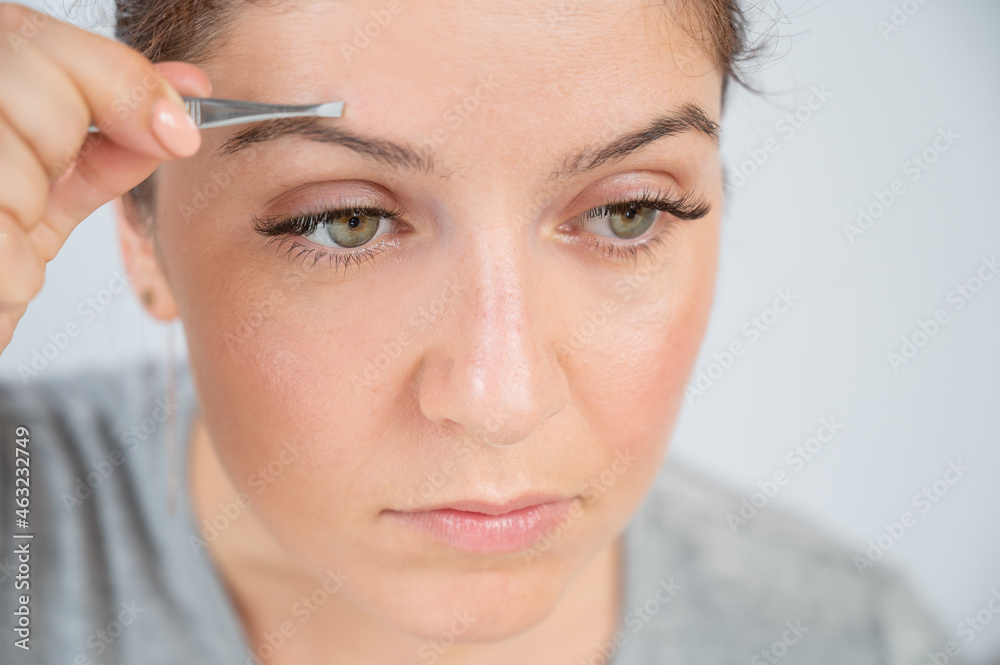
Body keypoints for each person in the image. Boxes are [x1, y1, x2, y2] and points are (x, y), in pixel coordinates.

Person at [0, 1, 959, 663]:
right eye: (348, 222)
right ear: (142, 237)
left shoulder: (852, 639)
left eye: (627, 212)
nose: (501, 398)